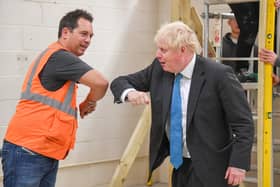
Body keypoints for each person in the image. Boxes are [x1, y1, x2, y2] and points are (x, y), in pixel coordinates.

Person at [110, 21, 254, 187]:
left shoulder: (218, 75)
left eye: (163, 50)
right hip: (180, 166)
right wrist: (130, 93)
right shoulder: (159, 70)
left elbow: (243, 123)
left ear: (183, 50)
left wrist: (238, 163)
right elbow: (119, 82)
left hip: (214, 167)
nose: (158, 55)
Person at [1, 9, 108, 187]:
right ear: (66, 32)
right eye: (83, 34)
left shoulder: (56, 57)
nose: (88, 40)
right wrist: (90, 101)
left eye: (91, 35)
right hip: (29, 151)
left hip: (42, 151)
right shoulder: (60, 57)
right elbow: (101, 83)